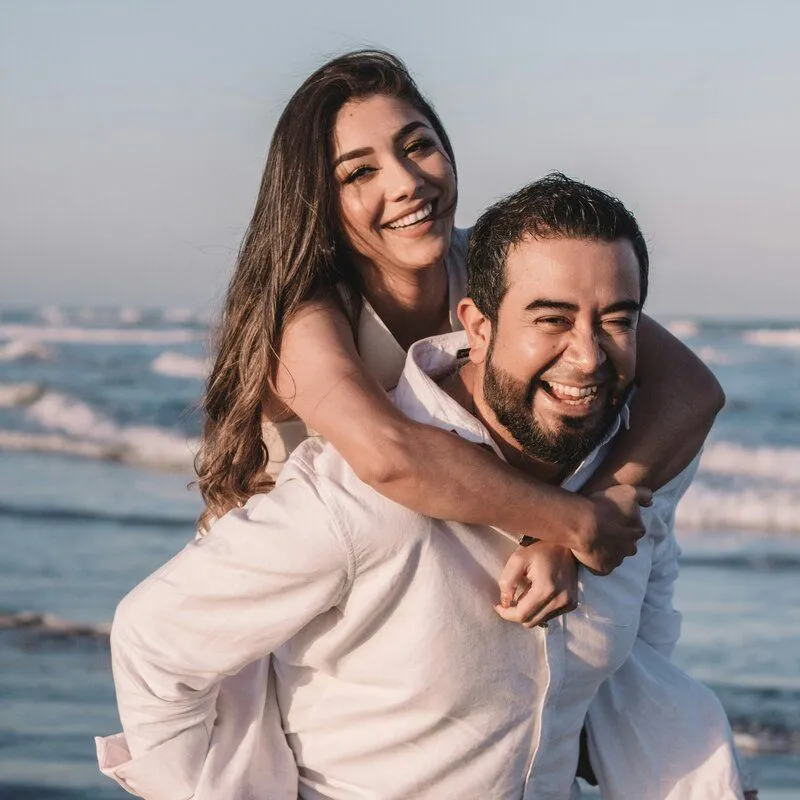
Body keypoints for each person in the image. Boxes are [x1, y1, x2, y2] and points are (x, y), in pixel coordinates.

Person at [97, 175, 751, 799]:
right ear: (478, 325)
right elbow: (152, 641)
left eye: (616, 320)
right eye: (550, 320)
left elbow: (646, 642)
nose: (587, 356)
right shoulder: (360, 500)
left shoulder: (637, 470)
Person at [196, 50, 725, 623]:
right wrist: (574, 524)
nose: (407, 182)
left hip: (429, 577)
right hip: (285, 600)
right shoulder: (302, 313)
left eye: (417, 146)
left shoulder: (495, 263)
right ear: (318, 198)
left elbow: (690, 391)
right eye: (360, 171)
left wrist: (587, 511)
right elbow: (390, 456)